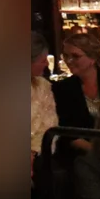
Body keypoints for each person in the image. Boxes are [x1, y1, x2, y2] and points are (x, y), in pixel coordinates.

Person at [32, 31, 59, 164]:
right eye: (43, 61)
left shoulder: (43, 86)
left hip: (39, 158)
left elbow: (49, 126)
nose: (47, 65)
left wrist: (32, 153)